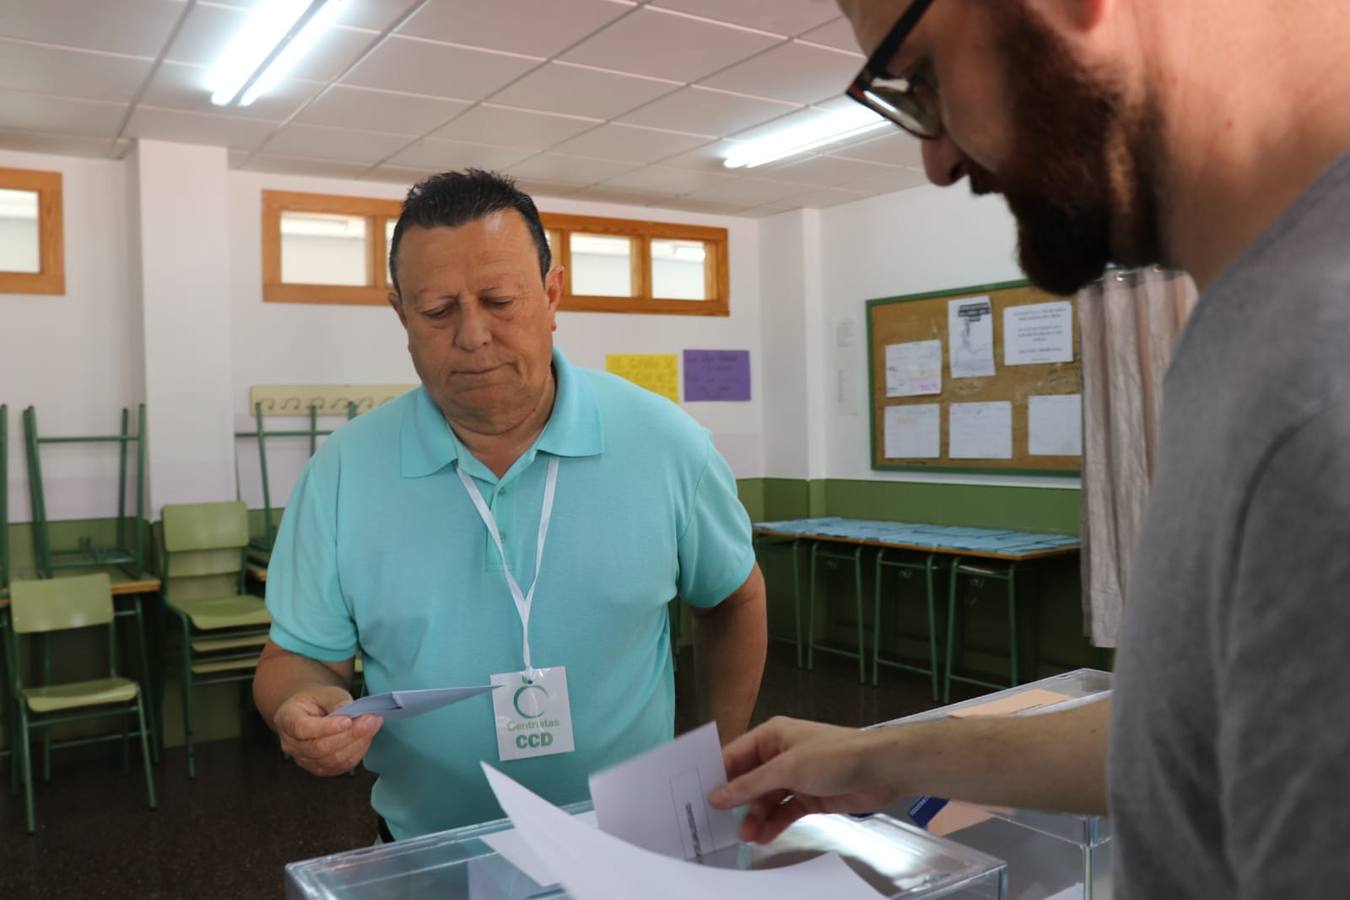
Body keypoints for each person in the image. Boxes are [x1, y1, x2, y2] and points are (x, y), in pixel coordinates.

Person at [709, 1, 1350, 896]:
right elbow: (1192, 725)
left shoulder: (1320, 386)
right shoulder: (1252, 329)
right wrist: (881, 756)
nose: (936, 161)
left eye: (920, 76)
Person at [252, 169, 767, 840]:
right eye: (437, 310)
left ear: (552, 296)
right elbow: (296, 657)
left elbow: (733, 598)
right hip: (427, 850)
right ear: (401, 314)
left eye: (499, 300)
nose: (472, 335)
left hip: (633, 837)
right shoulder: (342, 473)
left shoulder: (667, 446)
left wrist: (713, 759)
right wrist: (296, 704)